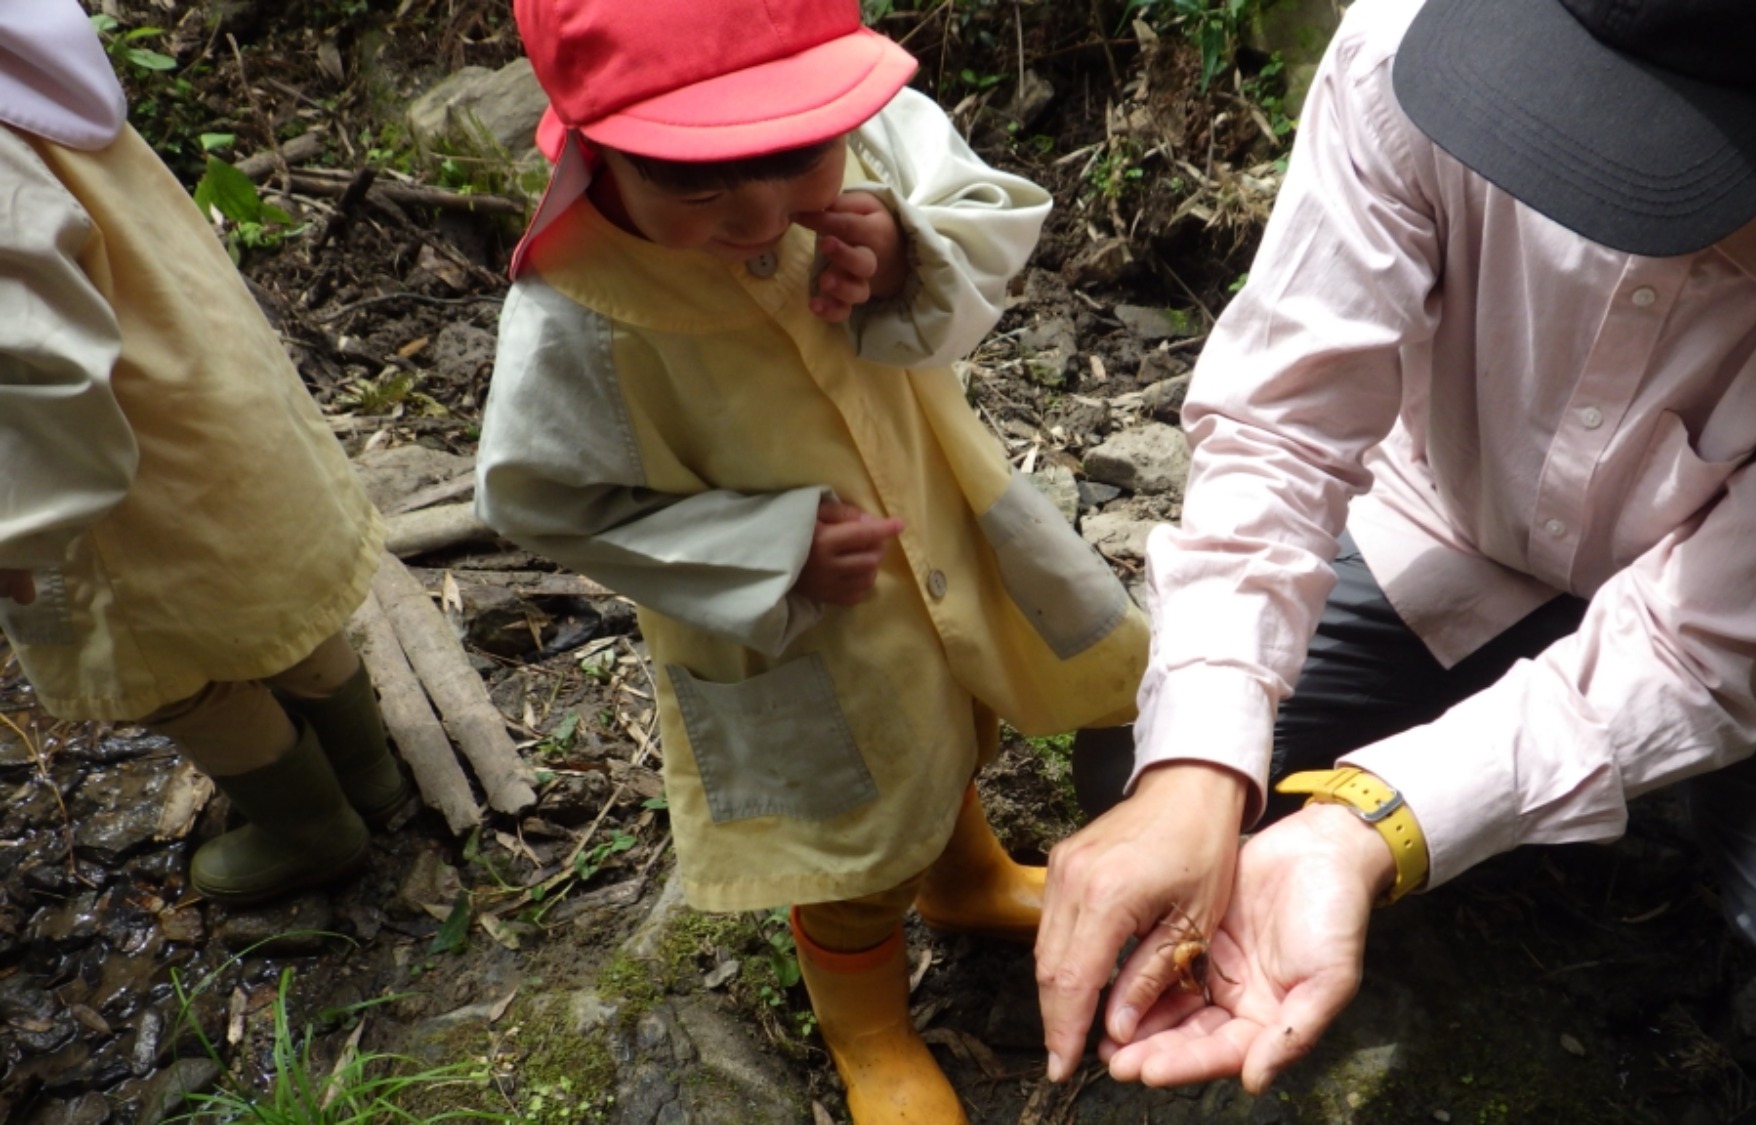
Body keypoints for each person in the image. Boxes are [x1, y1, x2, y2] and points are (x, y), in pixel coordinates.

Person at [1036, 0, 1756, 1103]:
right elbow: (1281, 428)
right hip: (1449, 527)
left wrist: (1368, 830)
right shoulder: (1412, 44)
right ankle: (1580, 791)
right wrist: (1196, 765)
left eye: (1671, 134)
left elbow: (1701, 649)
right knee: (1147, 775)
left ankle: (1702, 841)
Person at [473, 0, 1148, 1119]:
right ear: (600, 150)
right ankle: (870, 1032)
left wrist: (901, 252)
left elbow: (981, 207)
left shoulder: (863, 141)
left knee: (955, 717)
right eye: (698, 183)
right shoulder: (579, 312)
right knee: (853, 821)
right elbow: (543, 498)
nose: (763, 210)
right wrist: (762, 550)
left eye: (796, 162)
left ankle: (966, 876)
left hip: (932, 513)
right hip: (799, 619)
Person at [0, 0, 406, 904]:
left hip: (114, 475)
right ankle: (371, 776)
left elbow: (39, 361)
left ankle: (309, 831)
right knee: (277, 607)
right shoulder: (22, 54)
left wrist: (14, 529)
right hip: (207, 406)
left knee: (169, 669)